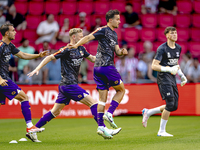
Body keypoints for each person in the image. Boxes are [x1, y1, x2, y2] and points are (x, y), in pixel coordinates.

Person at [27, 28, 121, 142]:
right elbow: (50, 57)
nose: (82, 39)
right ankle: (103, 128)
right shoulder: (66, 49)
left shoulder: (81, 48)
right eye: (80, 37)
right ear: (74, 37)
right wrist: (37, 68)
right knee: (93, 103)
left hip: (65, 86)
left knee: (55, 112)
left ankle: (33, 129)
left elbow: (91, 58)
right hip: (68, 84)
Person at [68, 10, 128, 139]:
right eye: (117, 19)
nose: (119, 21)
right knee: (121, 90)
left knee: (102, 99)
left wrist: (122, 52)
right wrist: (76, 45)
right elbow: (88, 37)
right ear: (110, 20)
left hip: (98, 69)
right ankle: (110, 113)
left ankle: (101, 126)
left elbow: (117, 51)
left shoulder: (114, 34)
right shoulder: (103, 30)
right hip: (107, 67)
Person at [0, 23, 48, 140]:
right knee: (24, 97)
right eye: (13, 30)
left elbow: (23, 55)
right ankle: (30, 127)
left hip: (4, 79)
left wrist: (38, 55)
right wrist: (0, 79)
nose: (15, 32)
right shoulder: (1, 46)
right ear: (7, 33)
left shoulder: (9, 46)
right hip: (3, 79)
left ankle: (30, 129)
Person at [142, 27, 187, 136]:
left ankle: (149, 112)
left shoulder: (178, 48)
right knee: (170, 103)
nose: (175, 35)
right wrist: (168, 69)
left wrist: (182, 75)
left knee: (173, 106)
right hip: (163, 78)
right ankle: (161, 131)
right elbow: (154, 66)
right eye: (172, 33)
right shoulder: (162, 49)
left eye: (176, 32)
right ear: (167, 35)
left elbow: (175, 64)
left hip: (172, 78)